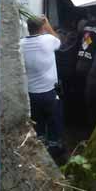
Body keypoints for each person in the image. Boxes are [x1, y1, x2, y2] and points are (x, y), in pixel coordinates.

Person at [19, 17, 64, 156]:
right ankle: (55, 149)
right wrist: (48, 24)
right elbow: (59, 41)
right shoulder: (48, 40)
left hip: (31, 93)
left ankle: (41, 149)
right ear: (42, 27)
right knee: (54, 121)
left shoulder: (21, 44)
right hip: (50, 92)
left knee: (38, 123)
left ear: (28, 27)